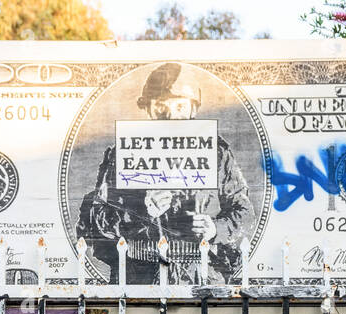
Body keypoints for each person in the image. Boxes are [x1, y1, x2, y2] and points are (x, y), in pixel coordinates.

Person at [76, 62, 252, 283]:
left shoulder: (218, 153)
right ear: (148, 108)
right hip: (138, 277)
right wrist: (140, 210)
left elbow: (244, 211)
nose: (170, 116)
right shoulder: (121, 154)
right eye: (161, 107)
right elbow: (95, 218)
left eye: (179, 107)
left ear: (193, 109)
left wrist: (215, 229)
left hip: (202, 277)